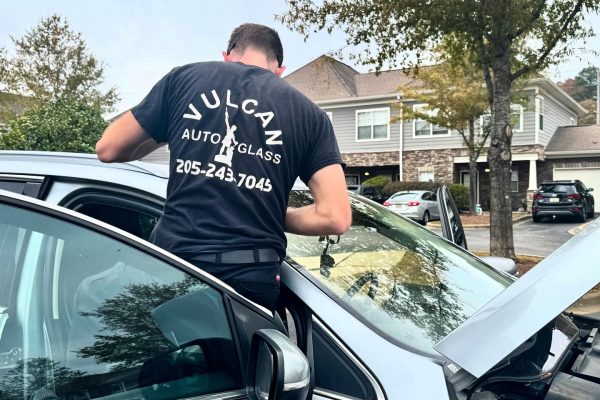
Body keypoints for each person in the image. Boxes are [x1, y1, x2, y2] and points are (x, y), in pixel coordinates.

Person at [96, 23, 351, 311]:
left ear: (227, 55)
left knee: (89, 293)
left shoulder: (184, 80)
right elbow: (336, 217)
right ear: (279, 68)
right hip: (251, 284)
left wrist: (168, 129)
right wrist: (267, 213)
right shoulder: (310, 115)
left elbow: (108, 148)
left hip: (175, 268)